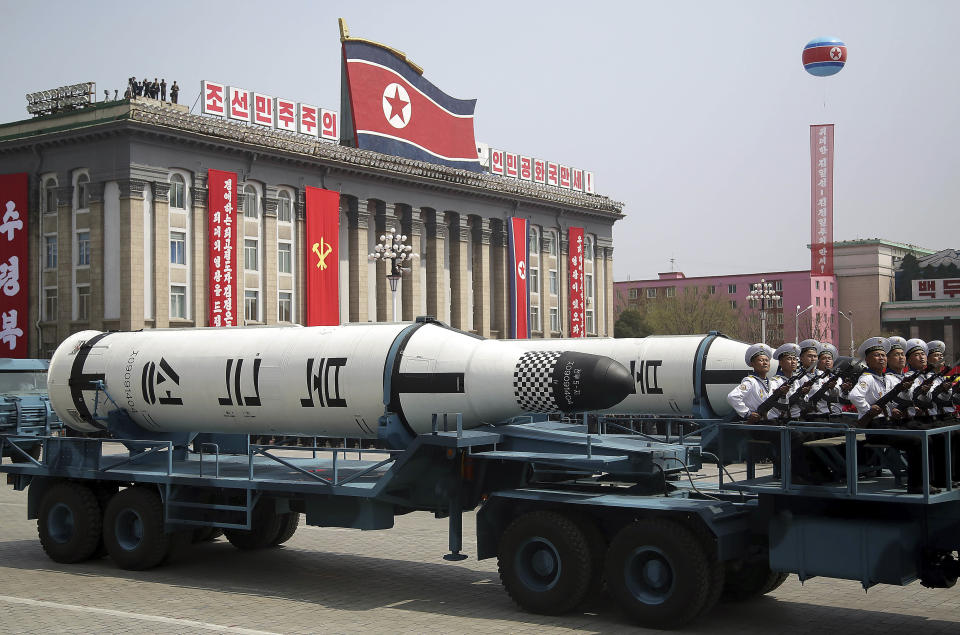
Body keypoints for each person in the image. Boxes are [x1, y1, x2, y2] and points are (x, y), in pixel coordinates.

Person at [849, 337, 932, 494]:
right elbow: (854, 396)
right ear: (867, 360)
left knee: (924, 437)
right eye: (877, 355)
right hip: (875, 428)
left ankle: (922, 480)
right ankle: (915, 485)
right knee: (917, 441)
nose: (882, 359)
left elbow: (887, 400)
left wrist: (891, 409)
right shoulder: (867, 377)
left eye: (884, 355)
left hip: (887, 424)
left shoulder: (882, 378)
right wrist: (869, 409)